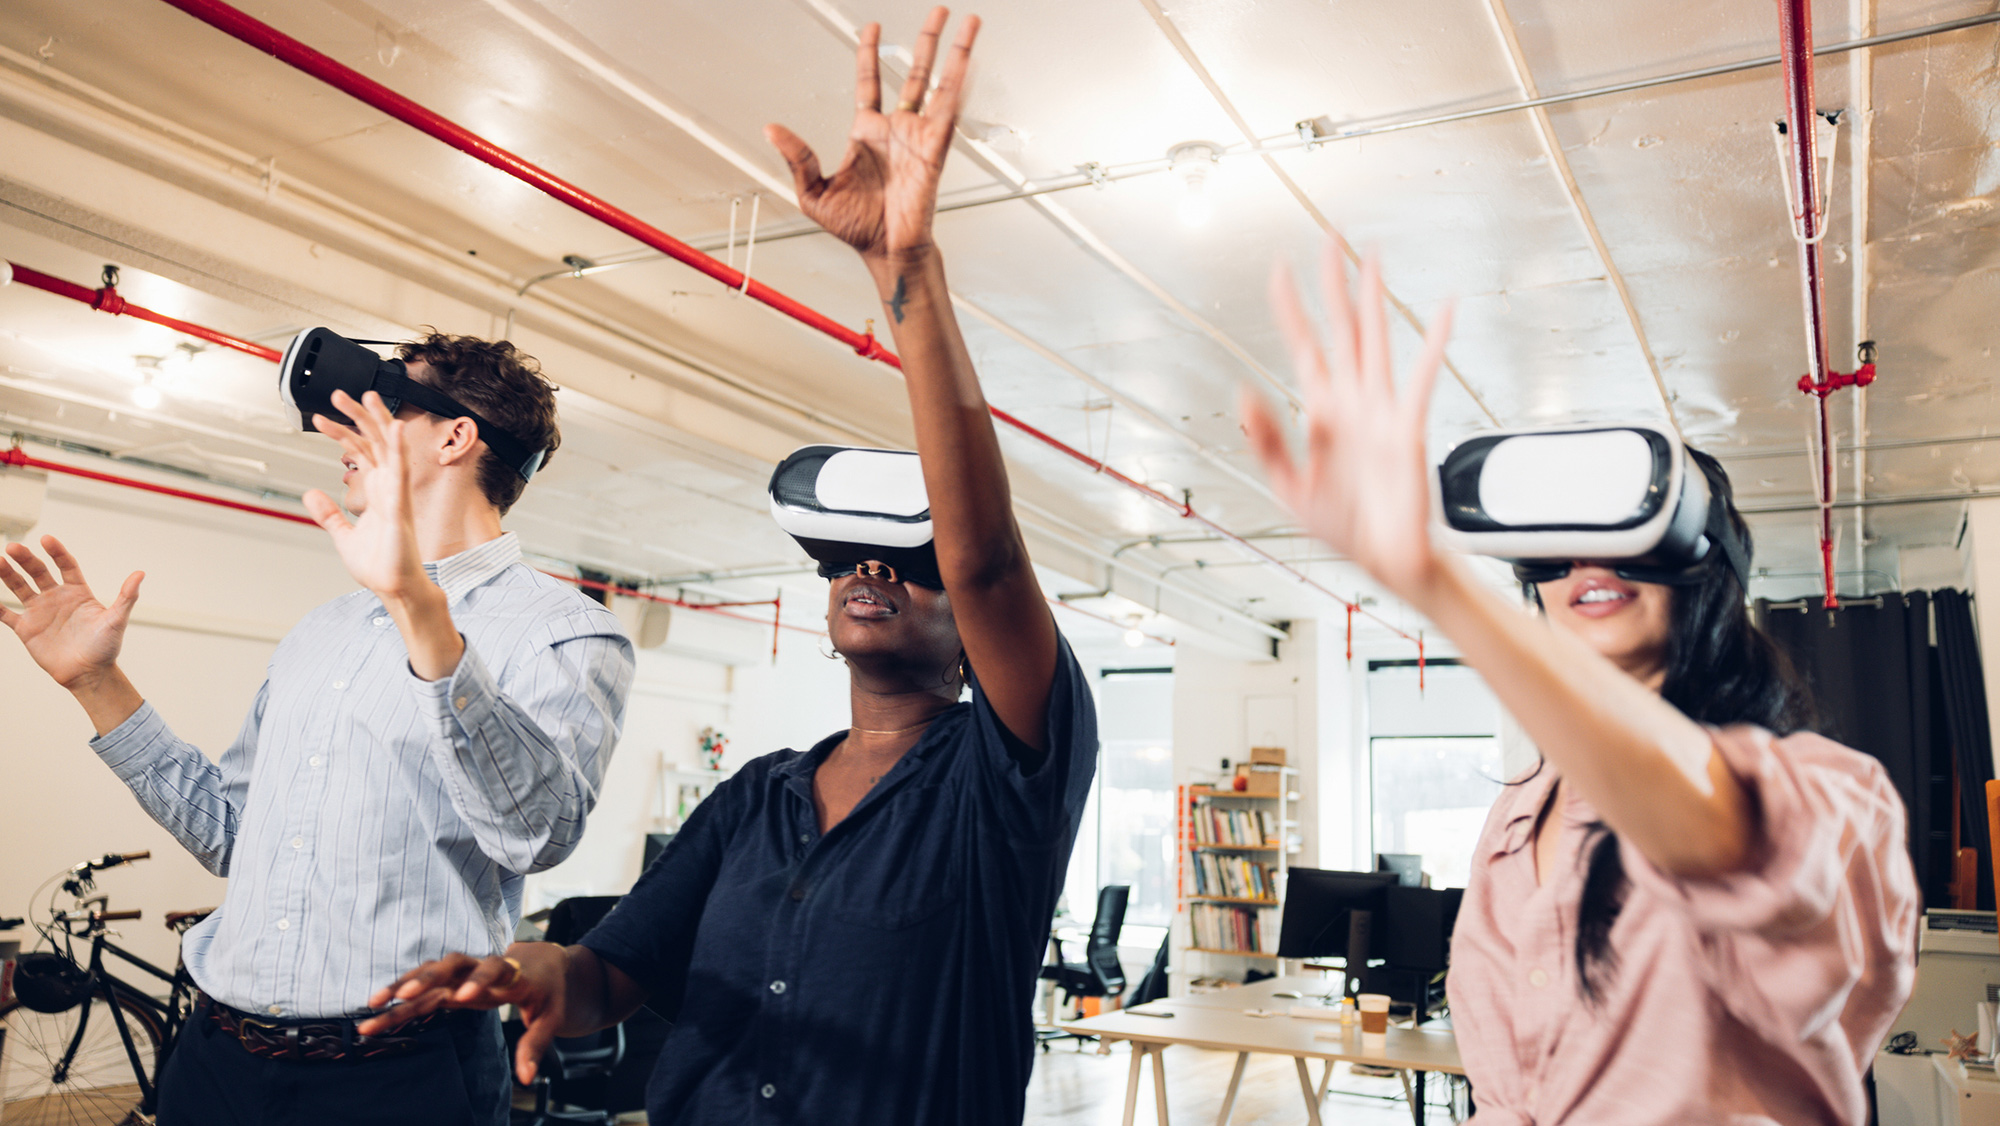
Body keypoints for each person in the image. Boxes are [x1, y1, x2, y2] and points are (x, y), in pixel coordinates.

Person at [359, 9, 1098, 1126]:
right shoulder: (757, 797)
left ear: (971, 630)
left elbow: (987, 561)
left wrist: (908, 271)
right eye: (848, 559)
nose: (871, 572)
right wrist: (531, 973)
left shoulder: (997, 787)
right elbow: (611, 975)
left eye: (909, 564)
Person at [1240, 245, 1917, 1123]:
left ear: (1705, 556)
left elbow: (1712, 831)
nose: (1587, 560)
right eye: (1553, 540)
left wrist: (1435, 583)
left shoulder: (1833, 794)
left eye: (1624, 523)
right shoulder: (1516, 821)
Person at [0, 333, 634, 1126]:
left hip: (399, 1080)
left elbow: (534, 836)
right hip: (216, 1061)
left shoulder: (566, 632)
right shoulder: (323, 630)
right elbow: (231, 834)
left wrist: (420, 612)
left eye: (380, 405)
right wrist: (98, 684)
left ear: (455, 435)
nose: (336, 432)